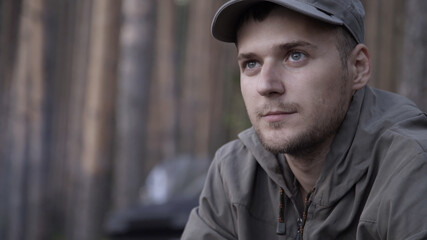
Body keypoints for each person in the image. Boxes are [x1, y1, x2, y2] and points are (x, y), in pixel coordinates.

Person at [181, 0, 427, 239]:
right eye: (252, 63)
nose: (266, 85)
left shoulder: (411, 167)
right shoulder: (235, 173)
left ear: (358, 67)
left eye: (295, 56)